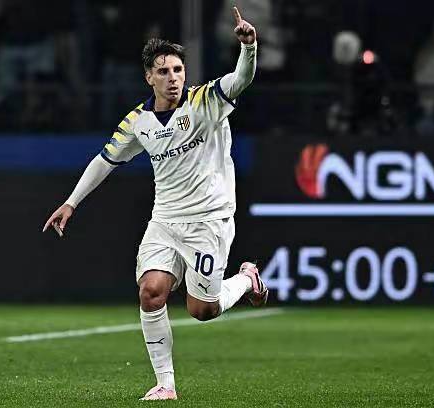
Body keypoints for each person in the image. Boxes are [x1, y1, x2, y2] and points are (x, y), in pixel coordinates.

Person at [43, 7, 267, 401]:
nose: (173, 77)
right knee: (151, 291)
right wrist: (71, 202)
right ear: (149, 77)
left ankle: (247, 280)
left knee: (202, 310)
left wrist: (248, 47)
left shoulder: (205, 101)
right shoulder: (138, 122)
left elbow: (240, 80)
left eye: (178, 70)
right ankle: (166, 384)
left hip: (208, 220)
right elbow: (105, 160)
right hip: (164, 220)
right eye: (164, 71)